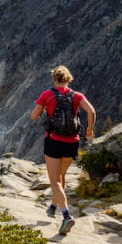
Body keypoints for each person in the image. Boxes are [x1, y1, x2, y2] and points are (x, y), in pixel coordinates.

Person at [30, 65, 96, 235]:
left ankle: (66, 215)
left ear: (54, 79)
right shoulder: (76, 96)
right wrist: (89, 129)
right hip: (72, 142)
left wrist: (44, 108)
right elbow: (91, 111)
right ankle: (53, 207)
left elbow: (34, 116)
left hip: (54, 142)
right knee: (61, 176)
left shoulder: (47, 95)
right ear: (68, 79)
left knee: (55, 181)